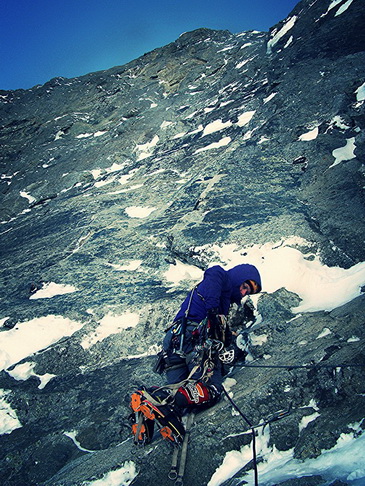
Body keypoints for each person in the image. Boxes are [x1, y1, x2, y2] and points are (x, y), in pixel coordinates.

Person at [129, 263, 262, 445]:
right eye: (245, 286)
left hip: (175, 342)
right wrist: (214, 312)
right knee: (210, 390)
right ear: (238, 277)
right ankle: (156, 400)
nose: (244, 292)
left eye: (249, 291)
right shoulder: (221, 278)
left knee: (182, 394)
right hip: (194, 338)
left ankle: (150, 406)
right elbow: (213, 274)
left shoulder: (221, 299)